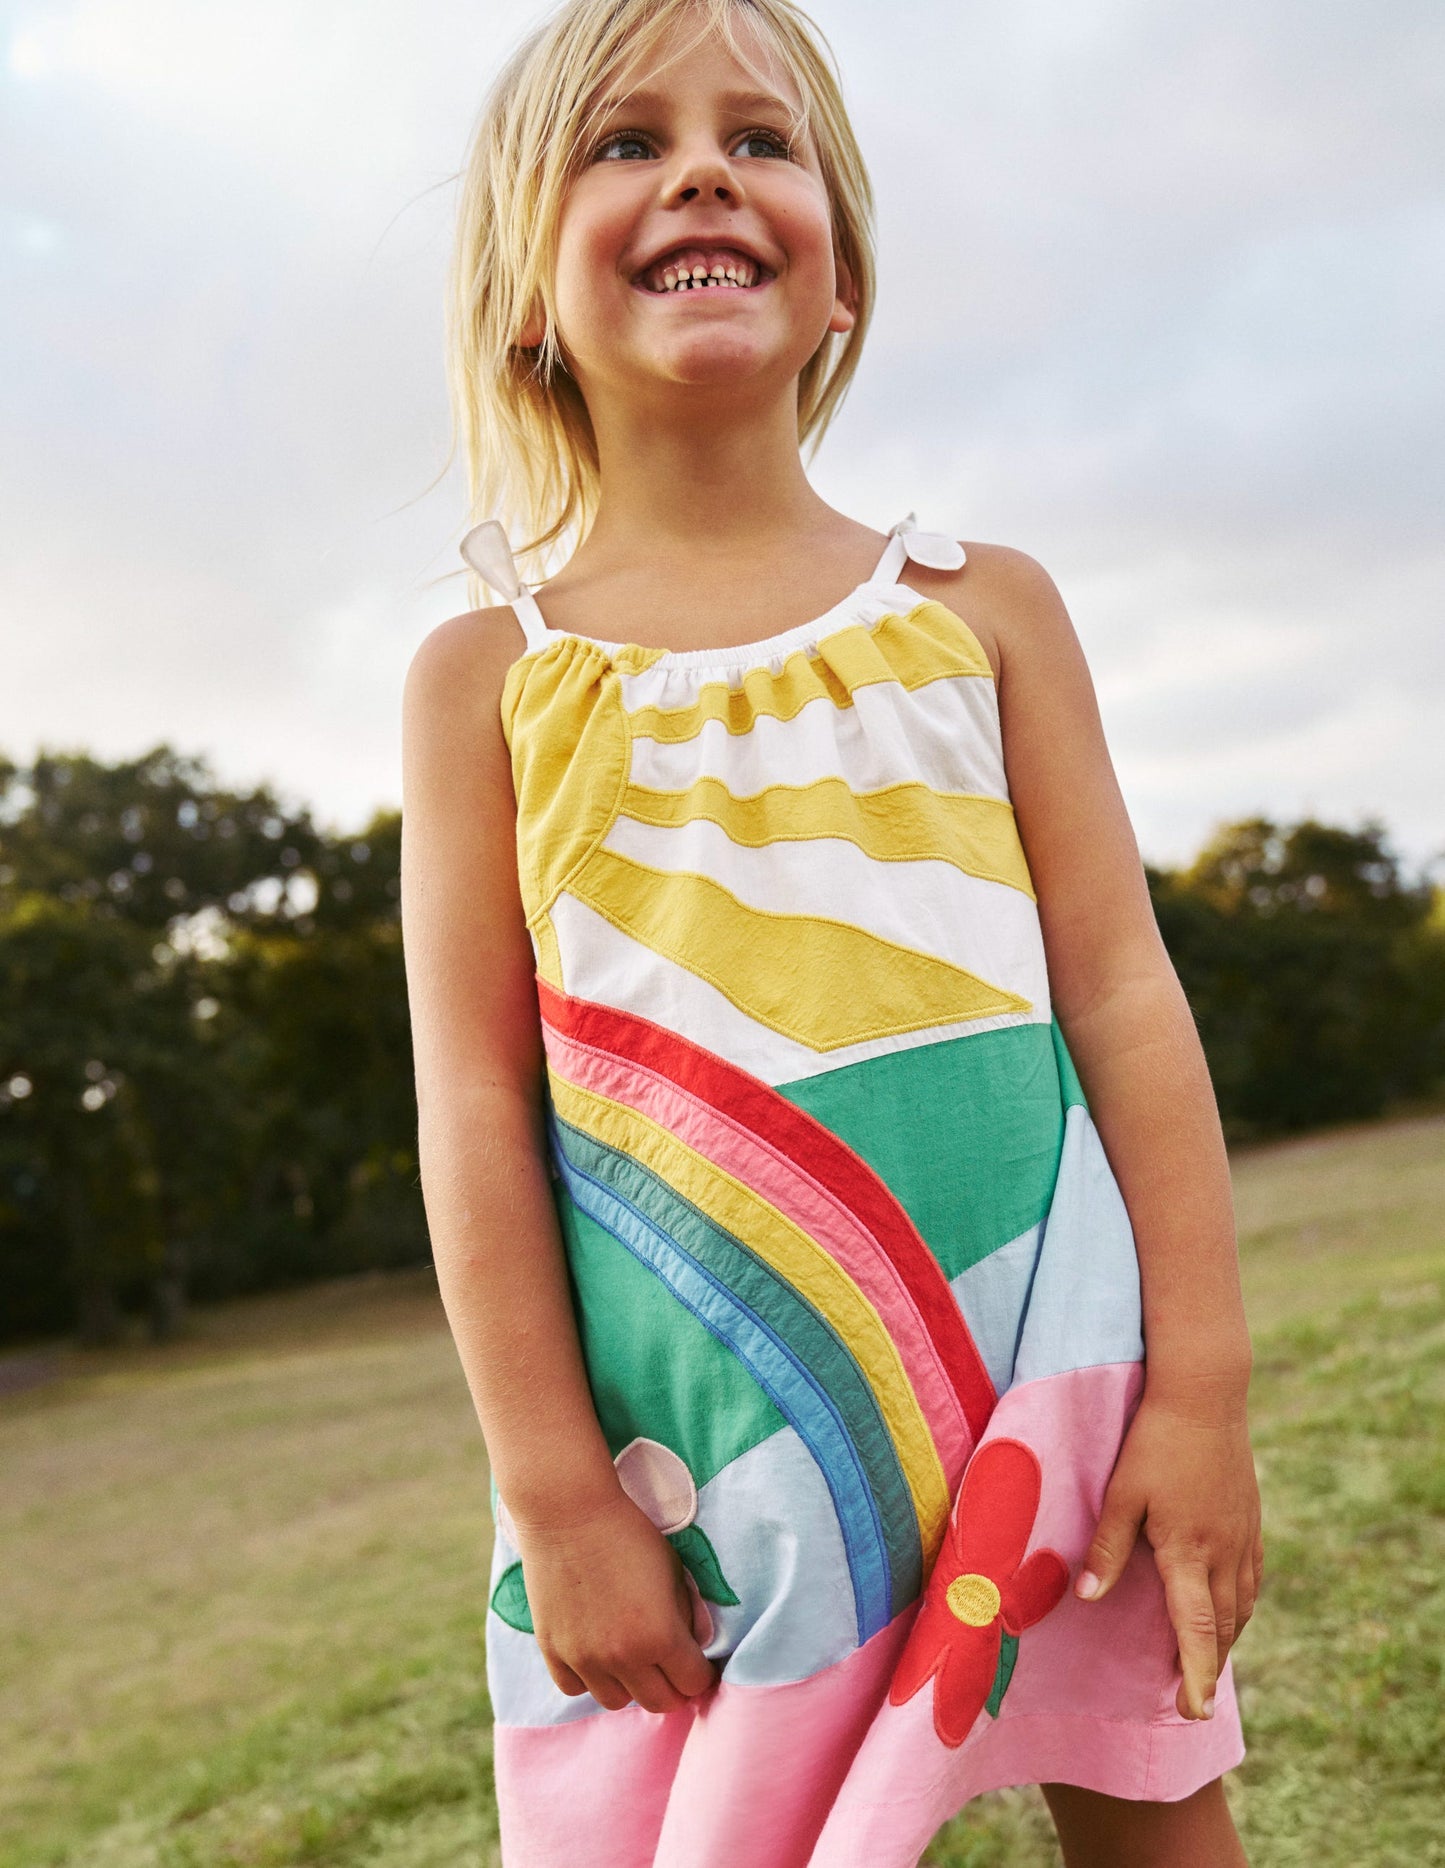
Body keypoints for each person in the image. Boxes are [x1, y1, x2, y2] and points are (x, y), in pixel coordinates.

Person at [399, 1, 1263, 1862]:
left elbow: (1121, 995)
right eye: (623, 143)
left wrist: (1198, 1393)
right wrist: (556, 1493)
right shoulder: (488, 676)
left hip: (1053, 1364)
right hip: (709, 1437)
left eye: (757, 139)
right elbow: (474, 1101)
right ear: (525, 293)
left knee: (1153, 1807)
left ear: (844, 273)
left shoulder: (983, 610)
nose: (700, 164)